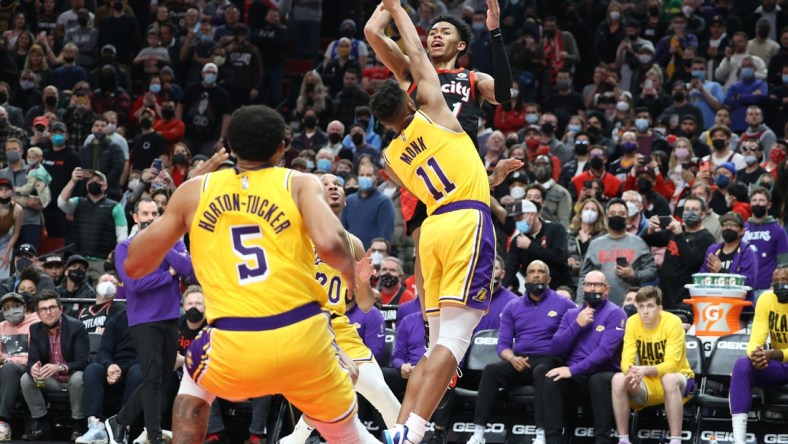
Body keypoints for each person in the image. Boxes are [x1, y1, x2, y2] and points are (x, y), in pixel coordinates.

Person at [121, 104, 378, 444]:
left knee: (194, 380)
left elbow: (134, 265)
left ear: (231, 148)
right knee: (347, 434)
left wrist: (178, 225)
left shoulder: (195, 192)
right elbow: (331, 243)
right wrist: (349, 277)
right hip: (304, 338)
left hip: (234, 340)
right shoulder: (298, 183)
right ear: (281, 148)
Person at [367, 2, 520, 441]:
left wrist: (487, 177)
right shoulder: (436, 106)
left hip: (433, 220)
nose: (434, 36)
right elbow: (412, 50)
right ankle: (413, 433)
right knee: (455, 342)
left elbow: (445, 180)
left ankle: (400, 428)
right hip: (464, 221)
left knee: (435, 345)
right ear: (411, 96)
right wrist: (396, 9)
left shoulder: (391, 158)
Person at [279, 173, 401, 443]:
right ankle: (296, 438)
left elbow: (367, 304)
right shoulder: (295, 232)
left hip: (340, 327)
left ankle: (294, 439)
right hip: (306, 326)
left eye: (338, 185)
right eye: (325, 184)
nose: (333, 187)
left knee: (383, 394)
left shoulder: (353, 243)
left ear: (345, 199)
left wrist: (363, 279)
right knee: (339, 382)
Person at [107, 198, 193, 444]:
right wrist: (168, 275)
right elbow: (134, 284)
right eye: (144, 213)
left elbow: (187, 268)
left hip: (169, 317)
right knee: (153, 377)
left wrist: (162, 244)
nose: (149, 217)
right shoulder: (125, 247)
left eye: (154, 213)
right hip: (143, 319)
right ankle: (154, 436)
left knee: (162, 377)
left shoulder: (173, 240)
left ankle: (119, 421)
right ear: (135, 217)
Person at [466, 260, 576, 444]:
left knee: (543, 371)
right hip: (521, 360)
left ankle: (541, 434)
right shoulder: (513, 306)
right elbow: (502, 345)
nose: (536, 274)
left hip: (549, 358)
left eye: (541, 271)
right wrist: (512, 358)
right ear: (526, 278)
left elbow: (580, 326)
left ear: (548, 278)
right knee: (492, 370)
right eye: (531, 271)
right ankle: (478, 433)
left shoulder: (564, 303)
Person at [542, 270, 626, 444]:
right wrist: (577, 325)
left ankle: (602, 440)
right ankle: (553, 440)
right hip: (577, 376)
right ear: (583, 288)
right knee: (552, 379)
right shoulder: (572, 315)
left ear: (606, 289)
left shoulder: (616, 313)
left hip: (604, 373)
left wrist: (572, 370)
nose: (592, 288)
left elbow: (605, 352)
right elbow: (556, 348)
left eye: (597, 285)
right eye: (589, 284)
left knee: (597, 380)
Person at [611, 286, 695, 444]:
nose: (645, 311)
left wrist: (645, 369)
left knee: (669, 379)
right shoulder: (632, 322)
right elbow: (626, 358)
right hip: (648, 381)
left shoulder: (673, 322)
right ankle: (623, 439)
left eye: (650, 306)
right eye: (641, 306)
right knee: (618, 378)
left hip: (679, 378)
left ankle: (676, 440)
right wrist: (632, 371)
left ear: (659, 308)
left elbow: (671, 365)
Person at [728, 265, 788, 444]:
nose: (780, 285)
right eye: (776, 281)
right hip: (779, 365)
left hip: (778, 358)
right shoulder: (765, 299)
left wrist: (772, 355)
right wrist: (756, 354)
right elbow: (755, 340)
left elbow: (774, 354)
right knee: (741, 365)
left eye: (785, 281)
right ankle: (739, 440)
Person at [20, 290, 89, 441]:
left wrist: (60, 367)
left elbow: (83, 361)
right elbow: (32, 359)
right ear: (38, 314)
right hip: (50, 380)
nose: (48, 312)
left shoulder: (76, 327)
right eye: (43, 309)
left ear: (61, 309)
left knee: (78, 378)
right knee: (27, 379)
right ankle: (42, 426)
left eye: (52, 307)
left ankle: (78, 426)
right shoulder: (35, 329)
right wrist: (34, 368)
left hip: (71, 376)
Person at [74, 307, 140, 444]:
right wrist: (109, 365)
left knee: (138, 371)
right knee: (92, 369)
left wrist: (120, 369)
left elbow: (148, 355)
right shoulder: (117, 318)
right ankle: (95, 426)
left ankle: (123, 428)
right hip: (113, 368)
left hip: (135, 369)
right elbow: (104, 349)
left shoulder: (153, 320)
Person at [577, 198, 657, 306]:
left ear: (627, 218)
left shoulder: (639, 243)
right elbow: (584, 276)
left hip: (630, 305)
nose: (617, 216)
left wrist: (634, 274)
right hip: (598, 304)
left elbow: (651, 271)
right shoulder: (595, 244)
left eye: (621, 213)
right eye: (613, 213)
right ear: (606, 217)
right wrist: (579, 304)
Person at [642, 196, 716, 309]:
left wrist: (679, 235)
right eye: (686, 209)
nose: (689, 212)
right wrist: (650, 229)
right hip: (665, 293)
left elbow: (691, 262)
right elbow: (650, 240)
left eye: (694, 209)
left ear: (702, 214)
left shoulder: (706, 238)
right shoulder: (675, 231)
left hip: (685, 296)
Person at [503, 199, 571, 291]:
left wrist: (530, 246)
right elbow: (510, 269)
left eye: (520, 217)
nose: (517, 222)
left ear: (532, 215)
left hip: (559, 287)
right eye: (515, 219)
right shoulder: (518, 241)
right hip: (533, 290)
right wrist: (501, 290)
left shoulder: (555, 229)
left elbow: (560, 257)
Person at [0, 291, 39, 441]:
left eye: (15, 306)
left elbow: (35, 354)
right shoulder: (1, 327)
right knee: (7, 369)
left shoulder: (35, 323)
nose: (11, 310)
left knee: (9, 369)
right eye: (6, 308)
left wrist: (7, 361)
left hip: (27, 369)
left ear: (24, 307)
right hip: (5, 368)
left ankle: (3, 422)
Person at [742, 188, 788, 298]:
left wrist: (776, 285)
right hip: (743, 287)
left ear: (769, 205)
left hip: (766, 288)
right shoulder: (742, 228)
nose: (757, 203)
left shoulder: (778, 229)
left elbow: (784, 261)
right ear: (750, 204)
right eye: (754, 200)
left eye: (761, 200)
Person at [700, 212, 759, 294]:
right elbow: (701, 277)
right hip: (713, 300)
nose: (728, 227)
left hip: (737, 302)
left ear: (742, 231)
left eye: (733, 225)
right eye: (725, 224)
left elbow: (748, 283)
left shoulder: (747, 253)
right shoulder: (712, 250)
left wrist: (721, 271)